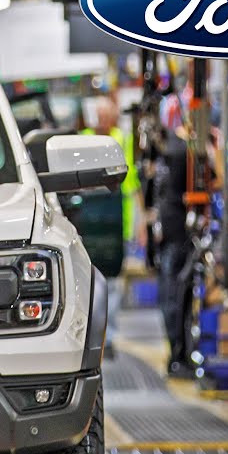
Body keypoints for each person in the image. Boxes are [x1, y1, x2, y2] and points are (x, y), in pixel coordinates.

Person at [154, 123, 219, 379]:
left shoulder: (169, 149)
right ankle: (179, 356)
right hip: (179, 231)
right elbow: (217, 179)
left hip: (168, 229)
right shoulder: (186, 152)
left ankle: (177, 354)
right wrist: (212, 152)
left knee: (172, 293)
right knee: (178, 294)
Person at [81, 96, 141, 356]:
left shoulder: (122, 139)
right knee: (85, 281)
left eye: (107, 114)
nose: (103, 119)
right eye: (99, 114)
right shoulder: (80, 138)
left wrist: (141, 223)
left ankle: (110, 338)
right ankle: (86, 334)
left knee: (114, 282)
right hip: (85, 223)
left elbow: (133, 183)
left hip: (117, 223)